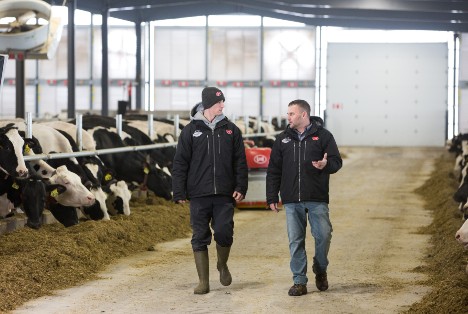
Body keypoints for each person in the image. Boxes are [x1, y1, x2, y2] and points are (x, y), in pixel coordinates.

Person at [172, 87, 248, 294]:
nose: (222, 106)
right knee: (200, 235)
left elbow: (240, 161)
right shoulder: (190, 131)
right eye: (218, 103)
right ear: (207, 105)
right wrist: (178, 191)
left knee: (224, 232)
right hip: (198, 193)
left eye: (223, 102)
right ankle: (203, 281)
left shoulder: (231, 130)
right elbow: (180, 162)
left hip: (224, 193)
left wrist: (241, 187)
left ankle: (222, 264)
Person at [266, 99, 342, 296]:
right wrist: (272, 196)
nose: (287, 117)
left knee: (323, 235)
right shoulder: (282, 139)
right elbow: (274, 170)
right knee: (296, 240)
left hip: (317, 196)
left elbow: (336, 161)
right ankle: (299, 281)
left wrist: (326, 165)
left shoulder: (324, 136)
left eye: (291, 113)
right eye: (288, 113)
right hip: (291, 199)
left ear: (303, 115)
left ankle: (320, 268)